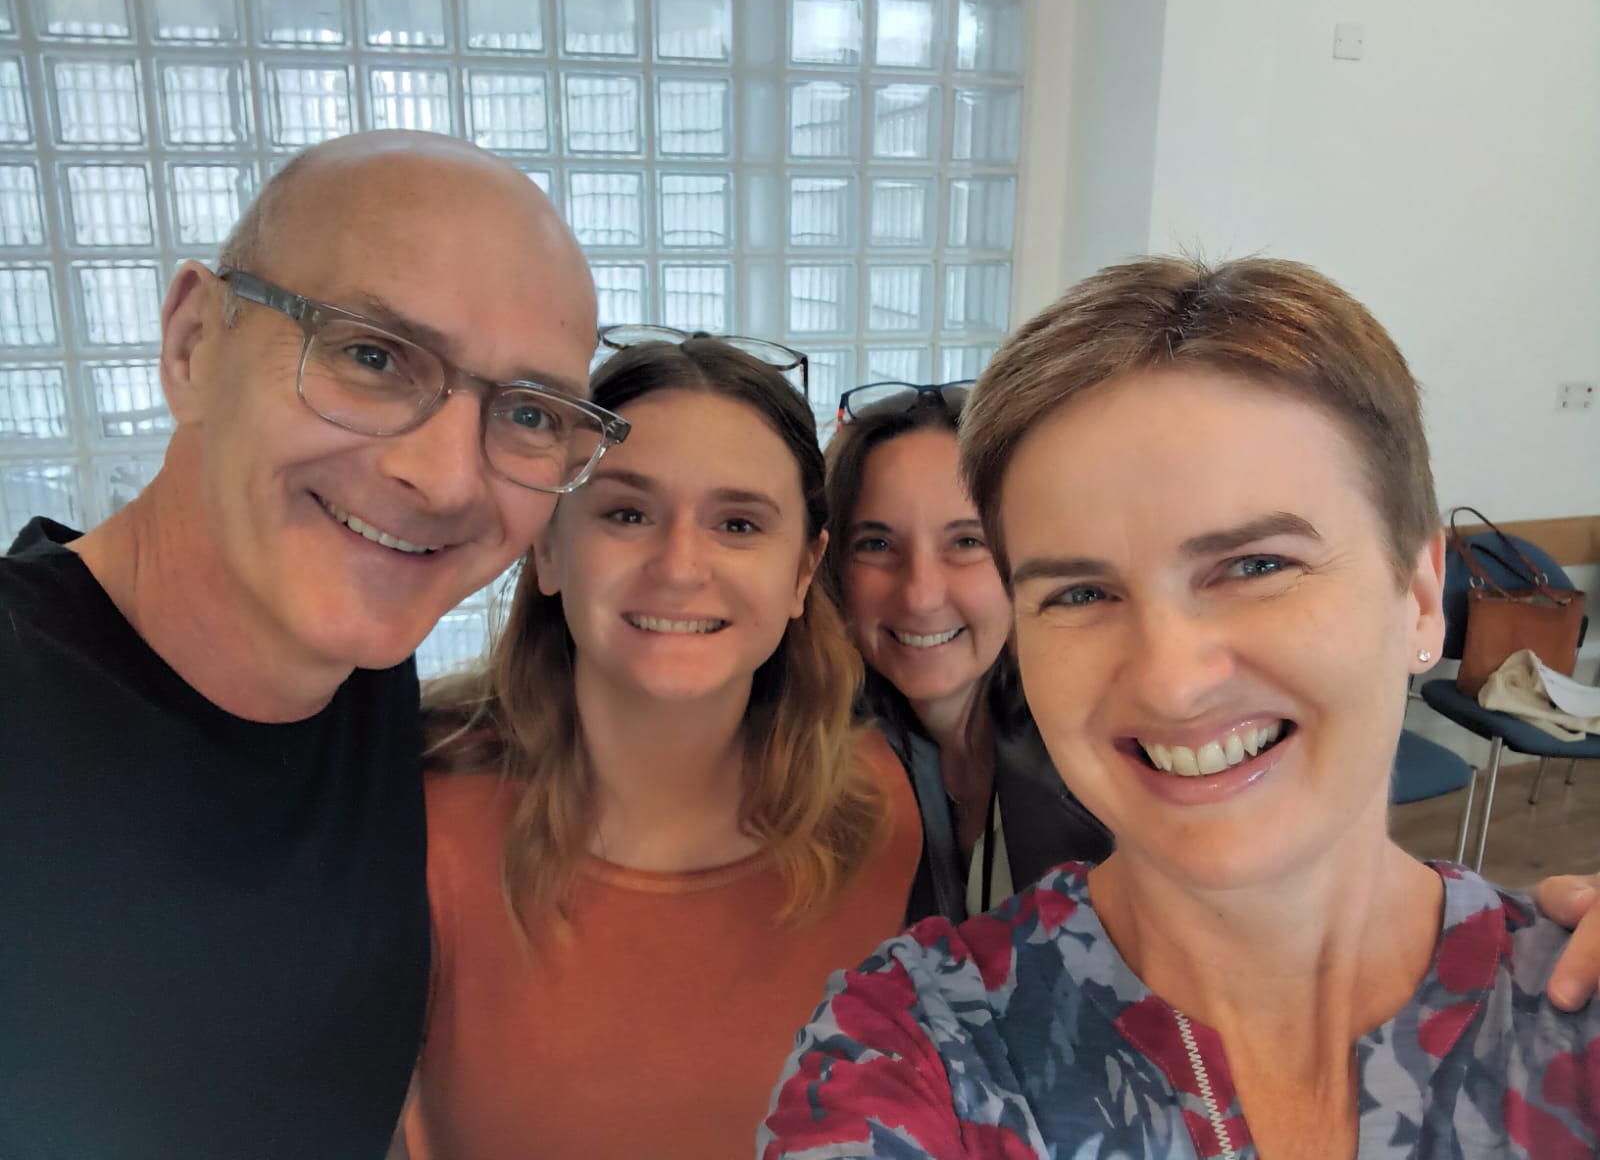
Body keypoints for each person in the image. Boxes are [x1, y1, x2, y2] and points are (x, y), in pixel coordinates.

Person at [762, 257, 1600, 1157]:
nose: (1171, 681)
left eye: (1255, 566)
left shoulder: (1571, 1017)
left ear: (1423, 596)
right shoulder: (911, 1050)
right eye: (1080, 593)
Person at [0, 131, 620, 1160]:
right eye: (371, 355)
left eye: (525, 412)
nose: (447, 479)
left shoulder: (366, 675)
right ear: (194, 341)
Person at [403, 338, 922, 1160]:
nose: (681, 566)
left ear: (802, 572)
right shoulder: (418, 820)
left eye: (739, 523)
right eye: (627, 513)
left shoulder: (886, 809)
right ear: (547, 545)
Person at [824, 382, 1111, 922]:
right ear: (833, 567)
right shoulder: (795, 768)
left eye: (966, 541)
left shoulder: (1113, 749)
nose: (922, 595)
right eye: (877, 544)